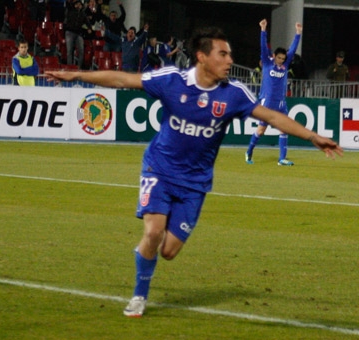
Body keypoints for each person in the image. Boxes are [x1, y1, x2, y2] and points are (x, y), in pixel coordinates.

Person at [45, 26, 342, 318]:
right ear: (202, 56)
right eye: (223, 54)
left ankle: (147, 255)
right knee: (153, 231)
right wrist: (76, 75)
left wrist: (312, 136)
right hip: (159, 168)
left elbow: (273, 116)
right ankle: (139, 295)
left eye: (230, 55)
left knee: (169, 251)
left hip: (195, 182)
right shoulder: (172, 80)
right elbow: (124, 78)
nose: (229, 61)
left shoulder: (234, 94)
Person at [245, 19, 302, 166]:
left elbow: (293, 48)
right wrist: (263, 29)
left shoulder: (285, 64)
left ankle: (282, 159)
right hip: (267, 102)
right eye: (279, 57)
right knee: (261, 130)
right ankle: (249, 151)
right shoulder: (267, 62)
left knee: (285, 129)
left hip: (281, 103)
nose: (281, 60)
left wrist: (298, 33)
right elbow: (263, 46)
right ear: (274, 55)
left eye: (284, 59)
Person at [64, 0, 92, 69]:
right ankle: (69, 68)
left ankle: (78, 68)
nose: (78, 5)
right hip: (69, 32)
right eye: (77, 4)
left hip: (78, 33)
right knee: (69, 51)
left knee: (81, 51)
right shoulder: (70, 10)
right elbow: (68, 4)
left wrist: (89, 28)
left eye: (80, 4)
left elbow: (87, 22)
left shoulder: (83, 14)